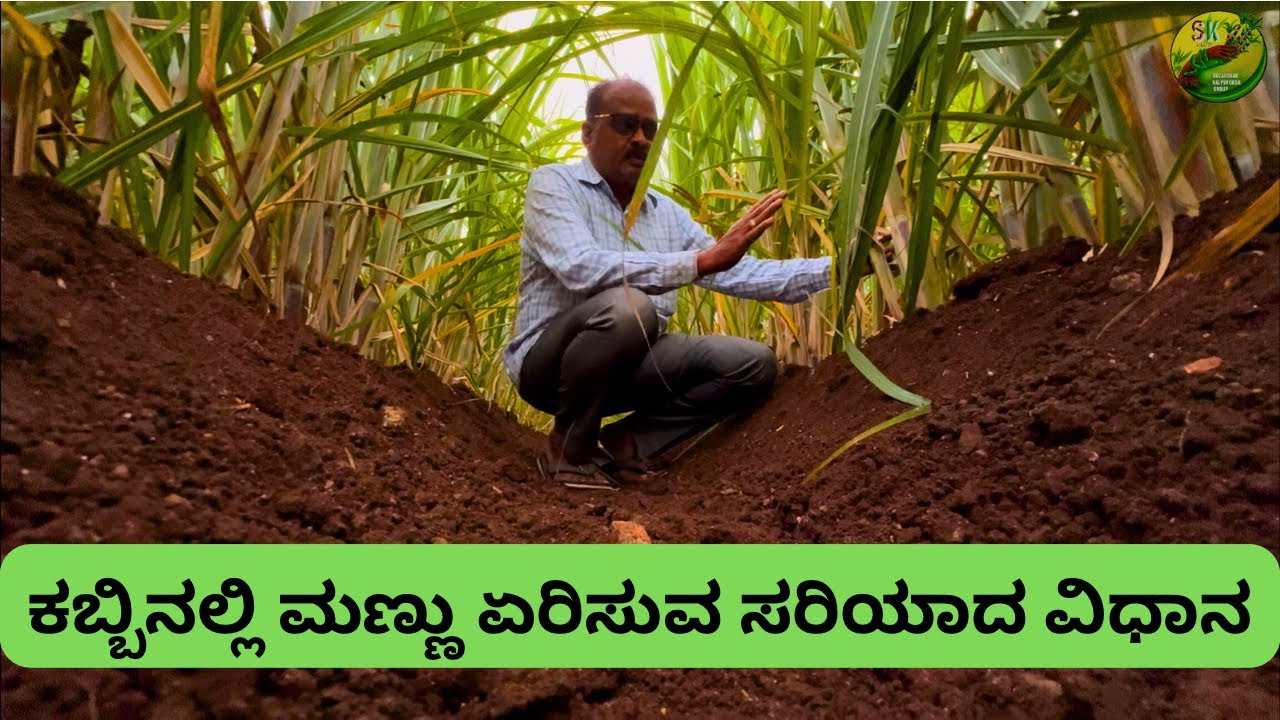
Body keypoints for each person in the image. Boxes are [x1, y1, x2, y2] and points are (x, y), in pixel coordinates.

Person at [503, 78, 831, 488]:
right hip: (549, 368)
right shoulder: (555, 185)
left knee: (751, 363)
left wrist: (837, 269)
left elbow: (735, 270)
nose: (640, 139)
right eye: (624, 124)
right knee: (630, 308)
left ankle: (627, 441)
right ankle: (569, 448)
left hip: (630, 364)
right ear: (588, 133)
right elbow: (579, 267)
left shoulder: (667, 214)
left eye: (649, 130)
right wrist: (698, 261)